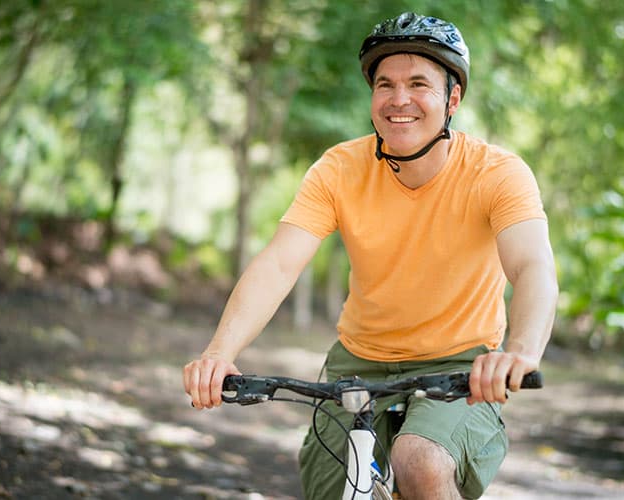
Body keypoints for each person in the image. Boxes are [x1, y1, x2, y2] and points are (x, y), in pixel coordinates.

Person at [184, 11, 558, 500]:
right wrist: (219, 353)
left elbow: (532, 267)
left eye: (419, 83)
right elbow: (278, 264)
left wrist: (520, 352)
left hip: (461, 365)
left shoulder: (497, 174)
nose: (399, 99)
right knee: (329, 488)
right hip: (358, 363)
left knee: (420, 459)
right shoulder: (339, 169)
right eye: (385, 84)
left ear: (453, 98)